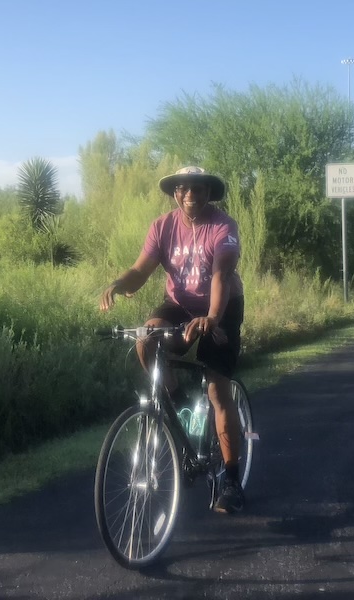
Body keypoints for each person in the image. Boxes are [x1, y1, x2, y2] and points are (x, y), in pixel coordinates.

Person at [99, 166, 246, 514]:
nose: (190, 194)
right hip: (179, 304)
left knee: (217, 390)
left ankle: (231, 481)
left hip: (222, 307)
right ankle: (179, 403)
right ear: (175, 193)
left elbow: (221, 274)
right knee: (145, 338)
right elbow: (140, 270)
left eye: (198, 188)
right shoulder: (162, 226)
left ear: (208, 193)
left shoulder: (223, 226)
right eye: (183, 188)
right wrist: (118, 284)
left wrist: (212, 318)